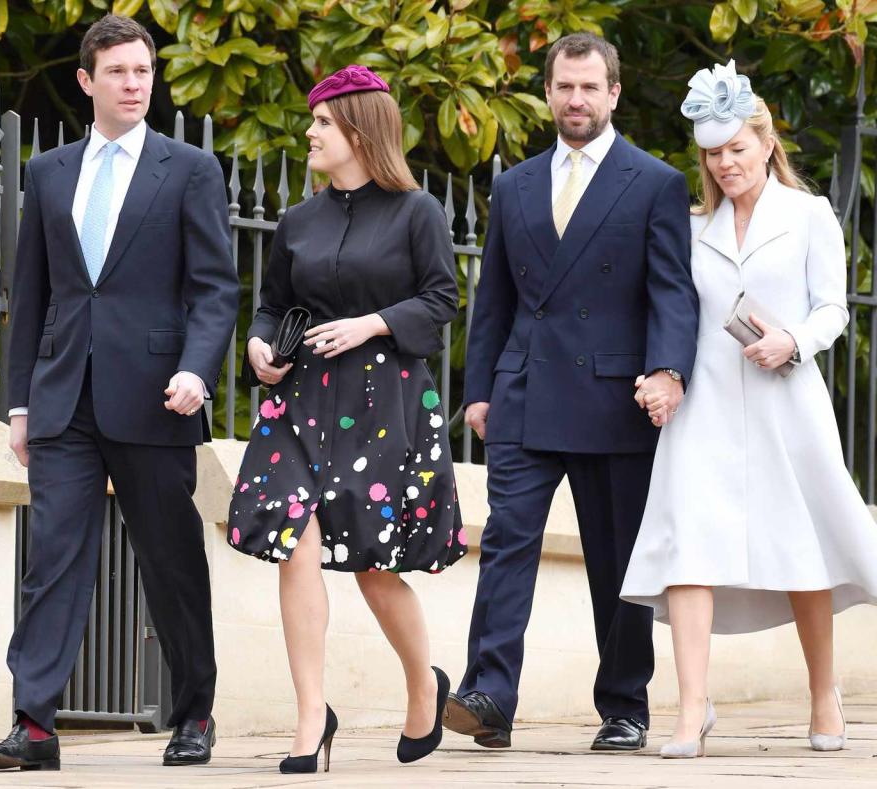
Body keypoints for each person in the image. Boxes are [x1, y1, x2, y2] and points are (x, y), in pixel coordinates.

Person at [0, 15, 240, 771]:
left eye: (143, 70)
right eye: (118, 72)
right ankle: (33, 723)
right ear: (87, 81)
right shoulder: (50, 172)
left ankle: (193, 713)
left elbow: (215, 288)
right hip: (63, 399)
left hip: (159, 394)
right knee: (53, 556)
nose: (134, 84)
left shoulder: (188, 169)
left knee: (171, 560)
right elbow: (32, 294)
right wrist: (22, 401)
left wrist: (196, 368)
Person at [443, 32, 699, 752]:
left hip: (615, 397)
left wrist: (669, 369)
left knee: (617, 561)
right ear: (549, 92)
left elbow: (672, 293)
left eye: (590, 87)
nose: (576, 99)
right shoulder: (514, 183)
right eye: (564, 86)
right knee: (505, 543)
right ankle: (490, 692)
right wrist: (481, 391)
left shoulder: (653, 181)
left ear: (614, 93)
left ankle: (625, 705)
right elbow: (491, 296)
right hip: (524, 390)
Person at [621, 60, 877, 758]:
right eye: (713, 152)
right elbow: (672, 309)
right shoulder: (690, 224)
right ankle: (690, 708)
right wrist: (660, 374)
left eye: (737, 148)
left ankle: (825, 692)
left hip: (784, 404)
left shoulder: (809, 215)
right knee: (691, 548)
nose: (724, 163)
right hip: (702, 406)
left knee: (803, 549)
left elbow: (833, 309)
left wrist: (792, 340)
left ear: (766, 143)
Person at [228, 65, 466, 773]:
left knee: (371, 566)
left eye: (322, 123)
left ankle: (424, 684)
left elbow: (442, 300)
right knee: (293, 539)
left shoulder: (416, 211)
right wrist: (257, 344)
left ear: (359, 131)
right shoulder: (298, 220)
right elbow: (271, 304)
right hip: (298, 400)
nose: (310, 132)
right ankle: (311, 716)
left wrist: (370, 324)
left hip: (382, 404)